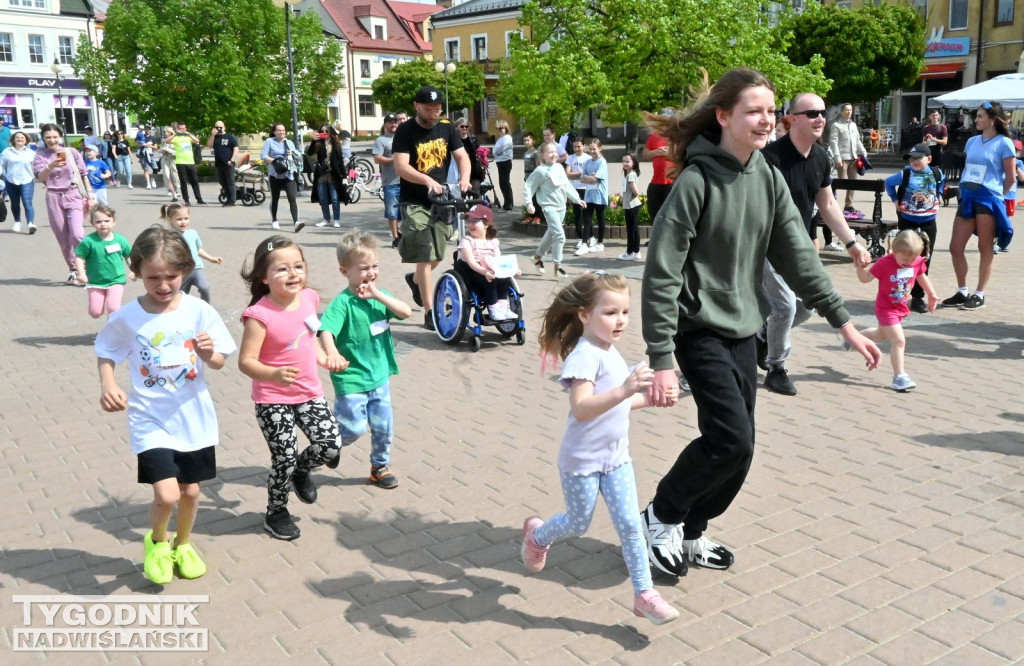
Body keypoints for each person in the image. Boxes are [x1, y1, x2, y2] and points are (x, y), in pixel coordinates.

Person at [638, 68, 882, 578]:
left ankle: (693, 531)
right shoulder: (695, 182)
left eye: (771, 111)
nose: (766, 120)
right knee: (731, 439)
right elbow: (661, 276)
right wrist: (661, 359)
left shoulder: (767, 176)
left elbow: (797, 253)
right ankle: (660, 516)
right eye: (754, 110)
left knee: (741, 446)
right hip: (697, 328)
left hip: (745, 327)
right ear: (724, 116)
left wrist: (845, 322)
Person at [522, 272, 681, 625]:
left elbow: (618, 405)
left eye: (624, 312)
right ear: (584, 315)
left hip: (616, 459)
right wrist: (625, 389)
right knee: (579, 524)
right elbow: (582, 408)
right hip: (582, 462)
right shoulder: (584, 356)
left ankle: (644, 594)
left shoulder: (610, 349)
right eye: (610, 313)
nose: (620, 320)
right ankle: (537, 535)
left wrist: (652, 399)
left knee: (628, 524)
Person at [95, 226, 236, 584]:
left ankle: (184, 544)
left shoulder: (199, 311)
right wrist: (108, 384)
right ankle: (157, 541)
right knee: (168, 493)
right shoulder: (127, 316)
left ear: (185, 271)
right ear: (137, 272)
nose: (162, 285)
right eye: (152, 277)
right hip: (150, 418)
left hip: (193, 416)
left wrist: (209, 354)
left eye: (171, 276)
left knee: (191, 491)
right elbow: (107, 351)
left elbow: (219, 361)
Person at [757, 93, 872, 396]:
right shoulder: (770, 159)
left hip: (798, 244)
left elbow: (828, 204)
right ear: (792, 118)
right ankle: (777, 368)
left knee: (806, 309)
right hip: (767, 246)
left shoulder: (821, 157)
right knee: (783, 307)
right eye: (811, 113)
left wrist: (851, 242)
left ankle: (761, 337)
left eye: (822, 112)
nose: (820, 117)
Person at [238, 236, 343, 540]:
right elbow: (246, 363)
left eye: (298, 266)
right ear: (264, 277)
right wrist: (273, 373)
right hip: (273, 399)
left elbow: (309, 337)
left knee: (330, 445)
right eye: (282, 269)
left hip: (309, 392)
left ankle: (301, 470)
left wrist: (326, 357)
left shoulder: (308, 297)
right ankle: (276, 512)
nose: (294, 274)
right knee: (283, 456)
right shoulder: (260, 315)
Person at [319, 231, 412, 489]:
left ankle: (380, 467)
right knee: (353, 429)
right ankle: (329, 444)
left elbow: (405, 311)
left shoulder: (378, 296)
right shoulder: (342, 303)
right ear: (344, 271)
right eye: (363, 268)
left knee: (384, 427)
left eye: (375, 266)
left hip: (379, 376)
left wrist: (378, 296)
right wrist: (332, 353)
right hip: (351, 379)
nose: (370, 273)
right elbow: (326, 330)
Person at [392, 85, 471, 330]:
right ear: (417, 106)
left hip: (441, 200)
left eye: (437, 109)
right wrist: (426, 179)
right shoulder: (405, 131)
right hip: (414, 200)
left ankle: (416, 281)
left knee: (438, 254)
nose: (434, 113)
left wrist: (465, 179)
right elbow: (401, 167)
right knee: (426, 255)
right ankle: (430, 312)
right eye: (429, 109)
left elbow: (462, 156)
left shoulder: (447, 127)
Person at [941, 101, 1017, 310]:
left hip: (988, 197)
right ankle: (962, 290)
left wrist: (997, 195)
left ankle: (980, 293)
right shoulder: (972, 141)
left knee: (985, 247)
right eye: (977, 116)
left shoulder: (1004, 143)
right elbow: (969, 168)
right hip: (968, 195)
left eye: (980, 116)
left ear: (993, 119)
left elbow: (1010, 177)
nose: (976, 120)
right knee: (955, 246)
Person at [852, 230, 938, 391]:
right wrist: (860, 267)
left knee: (880, 335)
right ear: (894, 251)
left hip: (900, 308)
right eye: (905, 259)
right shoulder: (885, 263)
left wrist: (932, 295)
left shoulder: (917, 261)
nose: (910, 262)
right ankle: (899, 377)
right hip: (885, 309)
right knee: (899, 341)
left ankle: (853, 337)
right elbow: (865, 279)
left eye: (913, 259)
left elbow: (921, 276)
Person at [884, 143, 944, 314]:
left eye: (919, 158)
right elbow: (888, 183)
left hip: (928, 222)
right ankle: (899, 295)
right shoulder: (905, 174)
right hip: (908, 221)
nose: (915, 161)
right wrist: (895, 200)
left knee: (924, 259)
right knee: (902, 257)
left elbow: (940, 186)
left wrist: (937, 197)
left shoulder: (937, 173)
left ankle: (918, 297)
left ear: (929, 159)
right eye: (912, 158)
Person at [34, 123, 95, 285]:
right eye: (48, 137)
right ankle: (74, 269)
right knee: (63, 238)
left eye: (55, 136)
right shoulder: (41, 155)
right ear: (43, 138)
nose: (52, 140)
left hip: (73, 194)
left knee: (77, 233)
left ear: (60, 137)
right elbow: (41, 177)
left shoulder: (71, 152)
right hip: (54, 196)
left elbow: (83, 174)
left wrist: (90, 196)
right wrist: (51, 165)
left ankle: (87, 266)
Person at [527, 141, 585, 278]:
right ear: (542, 155)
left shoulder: (559, 167)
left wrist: (577, 199)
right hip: (548, 207)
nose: (553, 154)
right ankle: (557, 267)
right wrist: (529, 204)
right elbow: (529, 187)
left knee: (551, 233)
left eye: (555, 152)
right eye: (550, 152)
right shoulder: (540, 171)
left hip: (561, 207)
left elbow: (566, 186)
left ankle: (537, 257)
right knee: (560, 236)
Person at [456, 204, 519, 320]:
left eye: (474, 221)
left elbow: (499, 261)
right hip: (471, 273)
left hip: (488, 271)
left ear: (486, 224)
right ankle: (493, 309)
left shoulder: (493, 242)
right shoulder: (467, 241)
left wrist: (512, 270)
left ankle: (503, 307)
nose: (470, 225)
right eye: (468, 221)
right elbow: (471, 262)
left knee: (503, 277)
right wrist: (485, 272)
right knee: (490, 279)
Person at [74, 205, 132, 319]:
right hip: (96, 282)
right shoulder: (89, 241)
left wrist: (135, 270)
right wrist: (81, 273)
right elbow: (79, 257)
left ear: (114, 222)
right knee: (95, 312)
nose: (103, 224)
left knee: (114, 308)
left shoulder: (120, 240)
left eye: (107, 221)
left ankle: (112, 329)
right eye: (98, 221)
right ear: (92, 223)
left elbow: (129, 256)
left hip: (116, 280)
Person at [162, 202, 222, 303]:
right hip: (181, 271)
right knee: (180, 294)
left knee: (204, 287)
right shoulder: (169, 236)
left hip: (196, 268)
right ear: (170, 220)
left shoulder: (193, 233)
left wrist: (211, 259)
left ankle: (206, 307)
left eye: (186, 218)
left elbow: (198, 249)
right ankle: (178, 309)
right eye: (179, 219)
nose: (183, 222)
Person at [642, 109, 676, 249]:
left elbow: (685, 155)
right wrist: (656, 152)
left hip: (672, 182)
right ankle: (656, 239)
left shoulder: (677, 136)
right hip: (656, 182)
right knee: (654, 211)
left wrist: (669, 153)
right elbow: (645, 154)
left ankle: (670, 241)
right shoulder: (654, 136)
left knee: (671, 214)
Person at [261, 123, 303, 233]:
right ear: (274, 132)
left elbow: (297, 155)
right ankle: (274, 220)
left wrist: (292, 153)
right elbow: (263, 156)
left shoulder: (289, 143)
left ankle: (296, 222)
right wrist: (273, 160)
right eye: (279, 130)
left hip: (288, 174)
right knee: (275, 198)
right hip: (275, 174)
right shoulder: (270, 141)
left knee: (292, 198)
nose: (282, 132)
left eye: (283, 130)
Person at [829, 103, 868, 217]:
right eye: (846, 110)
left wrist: (863, 152)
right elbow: (833, 142)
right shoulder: (836, 125)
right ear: (841, 111)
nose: (849, 112)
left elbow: (857, 141)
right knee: (842, 182)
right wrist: (837, 157)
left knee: (853, 183)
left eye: (850, 110)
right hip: (842, 158)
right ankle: (831, 203)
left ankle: (848, 204)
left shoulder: (853, 125)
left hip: (853, 158)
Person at [0, 130, 38, 234]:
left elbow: (37, 167)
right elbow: (1, 165)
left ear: (26, 140)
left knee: (27, 202)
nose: (20, 139)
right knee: (15, 203)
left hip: (27, 180)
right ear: (13, 139)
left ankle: (30, 223)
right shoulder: (7, 152)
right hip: (11, 181)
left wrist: (43, 179)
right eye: (17, 137)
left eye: (22, 137)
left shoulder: (31, 153)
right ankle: (17, 221)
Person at [373, 113, 402, 247]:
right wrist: (395, 160)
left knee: (406, 211)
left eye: (395, 122)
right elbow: (377, 158)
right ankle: (395, 237)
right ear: (385, 124)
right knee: (392, 213)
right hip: (390, 182)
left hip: (405, 181)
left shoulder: (402, 137)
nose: (394, 124)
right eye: (391, 122)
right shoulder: (381, 140)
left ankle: (402, 233)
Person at [576, 140, 609, 255]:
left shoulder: (602, 162)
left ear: (600, 148)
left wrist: (588, 177)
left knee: (600, 218)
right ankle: (584, 243)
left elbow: (596, 179)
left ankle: (600, 243)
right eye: (590, 149)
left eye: (594, 149)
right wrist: (590, 177)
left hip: (599, 194)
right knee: (587, 218)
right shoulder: (588, 162)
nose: (592, 151)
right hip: (589, 194)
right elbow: (581, 178)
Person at [308, 124, 342, 228]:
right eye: (322, 131)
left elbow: (340, 159)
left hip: (333, 174)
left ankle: (336, 220)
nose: (325, 133)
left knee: (335, 198)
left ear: (331, 132)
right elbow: (309, 153)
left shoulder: (336, 143)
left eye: (327, 131)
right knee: (323, 198)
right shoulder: (318, 143)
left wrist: (344, 175)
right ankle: (326, 219)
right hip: (322, 174)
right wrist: (314, 141)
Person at [170, 122, 205, 205]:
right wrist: (175, 134)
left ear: (185, 129)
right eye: (180, 129)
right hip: (181, 162)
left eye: (183, 129)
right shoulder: (176, 138)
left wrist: (189, 134)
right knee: (183, 182)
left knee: (194, 181)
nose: (182, 130)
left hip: (190, 162)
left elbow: (197, 140)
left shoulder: (188, 137)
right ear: (177, 129)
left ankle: (199, 199)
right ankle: (186, 200)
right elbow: (168, 141)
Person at [206, 121, 238, 207]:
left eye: (220, 127)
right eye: (217, 127)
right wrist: (212, 135)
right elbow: (209, 145)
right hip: (219, 163)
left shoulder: (230, 137)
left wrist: (232, 160)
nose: (219, 129)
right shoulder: (215, 137)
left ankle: (232, 201)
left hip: (229, 163)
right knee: (222, 181)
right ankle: (228, 198)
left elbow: (236, 148)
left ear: (224, 127)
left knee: (230, 181)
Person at [566, 138, 590, 247]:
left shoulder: (588, 158)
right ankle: (580, 237)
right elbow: (568, 173)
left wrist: (576, 174)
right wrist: (580, 173)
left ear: (584, 146)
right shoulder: (571, 158)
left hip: (586, 188)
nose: (576, 149)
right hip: (574, 188)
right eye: (574, 146)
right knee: (577, 214)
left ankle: (590, 236)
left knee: (587, 214)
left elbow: (588, 174)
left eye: (578, 146)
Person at [618, 153, 643, 261]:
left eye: (628, 161)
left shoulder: (631, 175)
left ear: (634, 163)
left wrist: (633, 193)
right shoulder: (628, 174)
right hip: (629, 205)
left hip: (632, 205)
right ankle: (634, 251)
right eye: (623, 161)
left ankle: (631, 252)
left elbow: (636, 191)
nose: (625, 163)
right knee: (633, 229)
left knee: (632, 229)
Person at [493, 119, 514, 211]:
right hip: (500, 162)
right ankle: (507, 204)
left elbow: (497, 150)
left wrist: (496, 151)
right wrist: (496, 151)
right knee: (502, 183)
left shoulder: (507, 138)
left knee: (505, 183)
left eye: (502, 128)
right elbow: (495, 151)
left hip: (505, 162)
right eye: (498, 128)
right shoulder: (501, 139)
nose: (500, 130)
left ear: (506, 129)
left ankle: (508, 205)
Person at [160, 127, 181, 202]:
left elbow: (179, 152)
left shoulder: (175, 140)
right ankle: (174, 195)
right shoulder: (163, 140)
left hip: (173, 160)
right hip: (165, 160)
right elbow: (160, 150)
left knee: (176, 177)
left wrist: (169, 150)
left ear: (170, 132)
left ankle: (178, 190)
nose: (164, 133)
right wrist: (163, 151)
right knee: (167, 176)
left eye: (166, 131)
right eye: (164, 131)